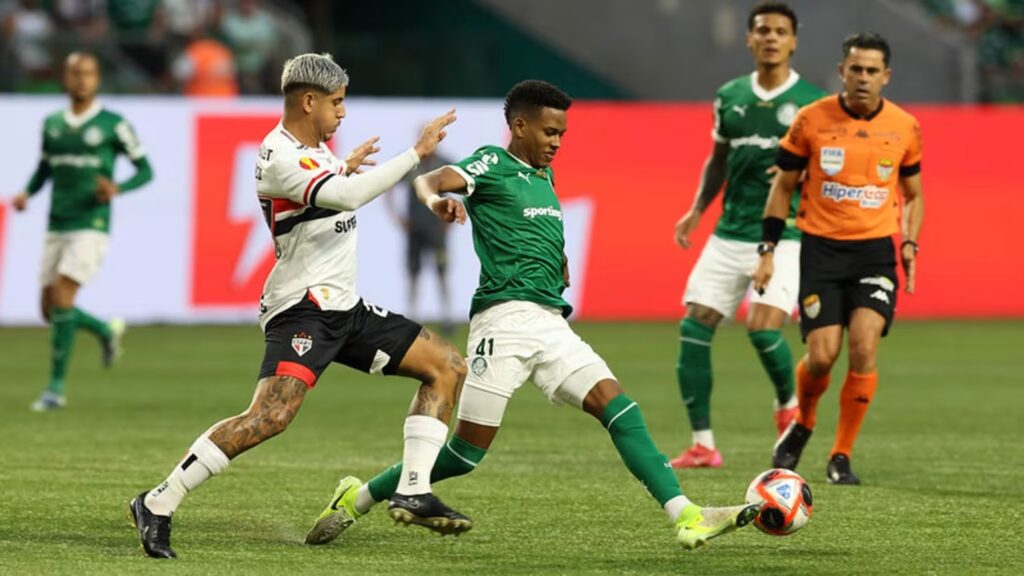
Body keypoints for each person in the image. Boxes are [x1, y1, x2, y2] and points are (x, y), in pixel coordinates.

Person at [304, 80, 760, 551]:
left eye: (562, 134)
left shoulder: (545, 177)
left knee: (618, 407)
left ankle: (686, 515)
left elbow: (537, 229)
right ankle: (358, 497)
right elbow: (427, 180)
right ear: (520, 126)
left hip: (551, 324)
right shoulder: (492, 163)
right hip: (503, 324)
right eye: (549, 132)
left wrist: (558, 259)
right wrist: (438, 201)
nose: (557, 142)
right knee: (463, 455)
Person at [128, 53, 470, 559]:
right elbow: (346, 197)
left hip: (345, 308)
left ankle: (413, 490)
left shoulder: (317, 152)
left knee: (447, 367)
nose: (343, 113)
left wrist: (343, 165)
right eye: (337, 103)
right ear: (309, 101)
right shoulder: (278, 155)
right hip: (302, 309)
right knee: (269, 416)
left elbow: (327, 192)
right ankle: (158, 501)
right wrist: (415, 153)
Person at [753, 32, 924, 485]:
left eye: (872, 71)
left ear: (886, 76)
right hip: (822, 252)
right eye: (856, 69)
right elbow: (782, 187)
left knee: (864, 347)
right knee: (823, 356)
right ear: (842, 72)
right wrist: (767, 250)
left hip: (874, 253)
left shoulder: (905, 126)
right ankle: (803, 422)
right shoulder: (811, 120)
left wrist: (910, 242)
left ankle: (841, 455)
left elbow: (914, 194)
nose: (863, 77)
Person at [670, 1, 827, 469]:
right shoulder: (729, 96)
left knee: (761, 328)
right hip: (729, 233)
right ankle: (703, 444)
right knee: (694, 327)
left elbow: (823, 173)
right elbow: (718, 160)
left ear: (793, 41)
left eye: (780, 31)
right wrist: (697, 209)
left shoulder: (814, 103)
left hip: (787, 235)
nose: (770, 37)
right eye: (762, 30)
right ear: (749, 38)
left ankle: (787, 408)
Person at [12, 52, 153, 412]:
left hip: (92, 223)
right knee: (49, 309)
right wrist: (27, 193)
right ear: (65, 78)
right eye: (75, 73)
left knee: (63, 294)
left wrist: (117, 188)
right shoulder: (52, 124)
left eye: (88, 73)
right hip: (57, 222)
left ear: (97, 79)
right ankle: (105, 330)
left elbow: (145, 170)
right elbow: (44, 168)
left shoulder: (113, 124)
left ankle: (54, 389)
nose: (81, 79)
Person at [385, 145, 454, 334]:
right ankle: (413, 317)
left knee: (442, 271)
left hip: (436, 227)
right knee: (413, 272)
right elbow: (389, 184)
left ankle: (447, 316)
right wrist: (396, 216)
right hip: (415, 227)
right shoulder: (411, 164)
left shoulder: (443, 163)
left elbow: (463, 187)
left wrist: (451, 218)